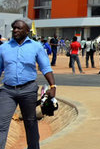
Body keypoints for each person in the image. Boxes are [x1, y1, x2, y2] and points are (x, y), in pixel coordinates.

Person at [0, 20, 57, 149]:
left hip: (28, 90)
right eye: (14, 28)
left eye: (19, 28)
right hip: (7, 91)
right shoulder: (3, 48)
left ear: (27, 31)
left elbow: (46, 68)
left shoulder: (36, 46)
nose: (15, 30)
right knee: (1, 124)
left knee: (30, 123)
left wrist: (53, 87)